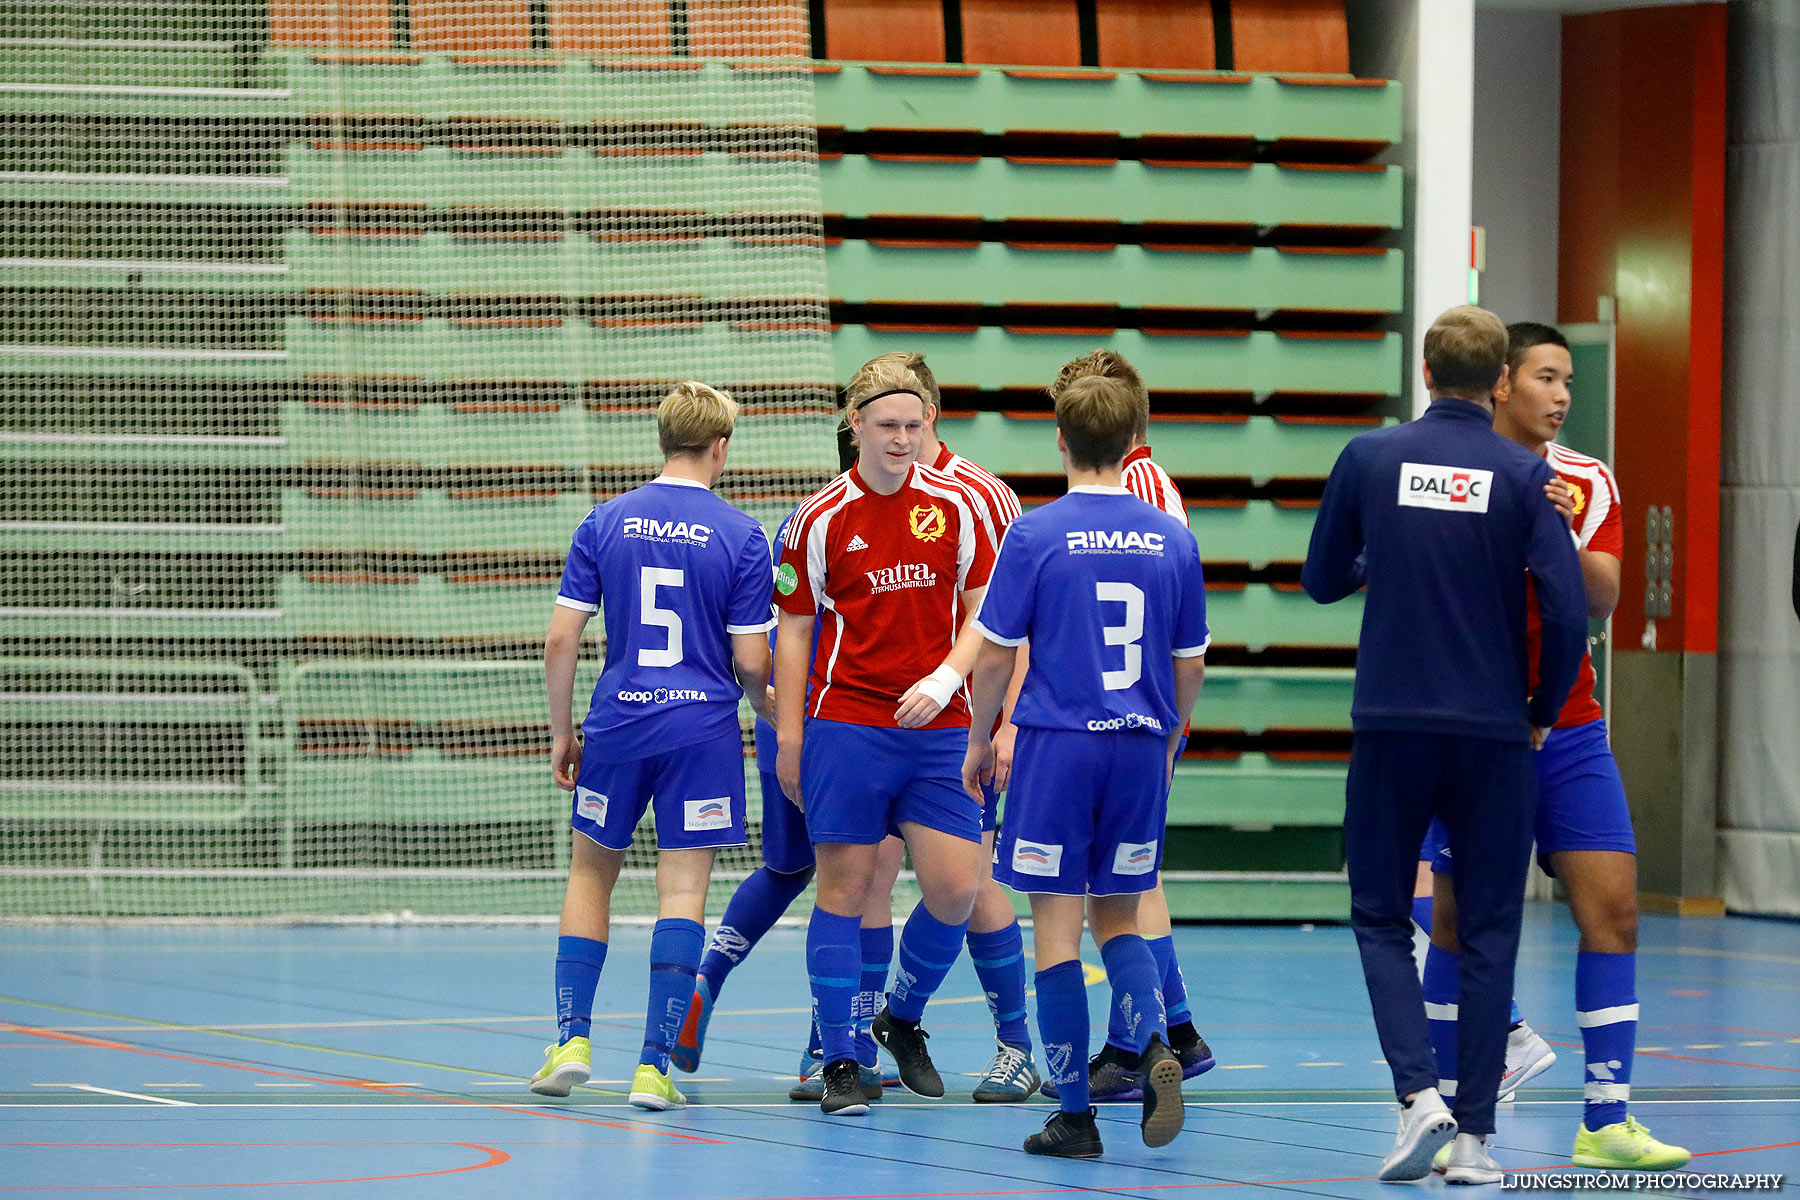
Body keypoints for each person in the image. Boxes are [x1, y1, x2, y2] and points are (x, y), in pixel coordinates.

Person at [1301, 306, 1587, 1184]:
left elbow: (1319, 580)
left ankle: (1415, 1094)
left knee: (1382, 914)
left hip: (1392, 724)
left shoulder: (1370, 458)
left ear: (1425, 373)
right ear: (1500, 382)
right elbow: (1567, 607)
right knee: (1493, 926)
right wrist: (1540, 706)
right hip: (1496, 732)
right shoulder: (1522, 475)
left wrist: (1379, 559)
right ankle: (1473, 1143)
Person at [1416, 323, 1689, 1170]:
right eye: (1545, 377)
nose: (1562, 395)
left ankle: (1606, 1122)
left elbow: (1602, 597)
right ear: (1501, 384)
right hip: (1473, 731)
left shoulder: (1584, 478)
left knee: (1614, 913)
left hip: (1570, 730)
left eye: (1568, 379)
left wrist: (1558, 534)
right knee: (1456, 920)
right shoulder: (1449, 471)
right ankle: (1442, 1109)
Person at [961, 372, 1209, 1158]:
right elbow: (1190, 661)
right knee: (1121, 917)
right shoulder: (1173, 538)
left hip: (1058, 750)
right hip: (1140, 745)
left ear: (1061, 440)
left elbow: (997, 658)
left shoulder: (1034, 535)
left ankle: (1074, 1116)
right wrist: (1168, 737)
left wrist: (978, 738)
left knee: (1057, 934)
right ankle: (1159, 1044)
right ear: (1136, 440)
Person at [530, 382, 776, 1111]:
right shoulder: (743, 535)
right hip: (700, 734)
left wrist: (562, 731)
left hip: (619, 727)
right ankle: (652, 1066)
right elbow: (755, 663)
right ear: (720, 446)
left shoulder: (604, 521)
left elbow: (559, 639)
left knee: (589, 877)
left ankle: (572, 1038)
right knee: (683, 893)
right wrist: (774, 713)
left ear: (662, 438)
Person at [775, 368, 997, 1116]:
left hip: (939, 731)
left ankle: (900, 1015)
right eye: (886, 426)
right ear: (856, 424)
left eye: (914, 425)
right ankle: (840, 1058)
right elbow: (797, 629)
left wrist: (947, 678)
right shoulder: (819, 517)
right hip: (848, 726)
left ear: (929, 421)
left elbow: (983, 613)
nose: (902, 440)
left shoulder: (959, 507)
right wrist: (789, 733)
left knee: (957, 889)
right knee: (845, 888)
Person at [1036, 350, 1216, 1104]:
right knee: (1138, 887)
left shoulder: (1131, 490)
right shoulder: (1152, 482)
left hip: (1107, 717)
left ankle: (1141, 1040)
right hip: (1142, 717)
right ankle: (1174, 1032)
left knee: (1114, 897)